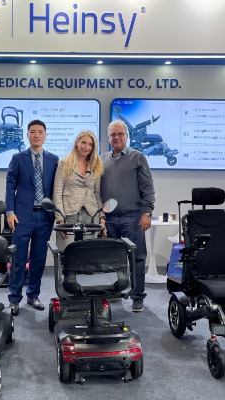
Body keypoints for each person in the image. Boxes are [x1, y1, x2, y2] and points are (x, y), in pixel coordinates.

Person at [100, 120, 155, 312]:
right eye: (113, 135)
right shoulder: (102, 159)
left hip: (133, 217)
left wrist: (147, 212)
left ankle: (137, 297)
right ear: (108, 138)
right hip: (109, 219)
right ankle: (115, 292)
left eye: (120, 134)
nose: (116, 137)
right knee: (112, 259)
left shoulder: (137, 157)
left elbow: (147, 187)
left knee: (137, 258)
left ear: (127, 136)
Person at [5, 119, 59, 316]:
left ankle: (33, 295)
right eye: (33, 132)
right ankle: (14, 298)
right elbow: (10, 186)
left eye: (40, 132)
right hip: (22, 216)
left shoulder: (54, 160)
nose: (36, 135)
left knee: (38, 258)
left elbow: (57, 188)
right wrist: (10, 212)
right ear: (27, 135)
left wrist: (57, 214)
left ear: (45, 135)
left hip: (45, 217)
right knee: (19, 258)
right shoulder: (18, 158)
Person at [53, 130, 104, 251]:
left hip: (91, 215)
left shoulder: (96, 165)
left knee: (88, 254)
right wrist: (60, 220)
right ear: (77, 143)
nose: (87, 147)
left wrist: (102, 218)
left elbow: (97, 194)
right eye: (84, 143)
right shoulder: (64, 163)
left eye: (90, 144)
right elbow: (57, 193)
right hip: (68, 214)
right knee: (66, 252)